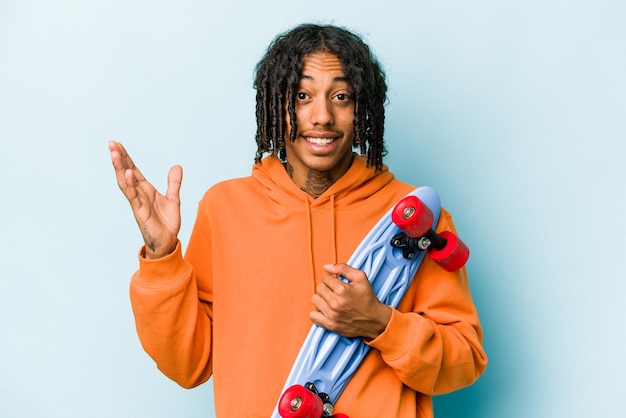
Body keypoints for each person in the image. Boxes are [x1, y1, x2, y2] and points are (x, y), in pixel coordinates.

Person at [109, 23, 487, 418]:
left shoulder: (413, 215)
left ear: (362, 108)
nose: (321, 116)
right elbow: (189, 364)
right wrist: (161, 254)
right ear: (274, 106)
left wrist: (380, 324)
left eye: (341, 96)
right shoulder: (226, 208)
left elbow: (465, 359)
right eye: (302, 96)